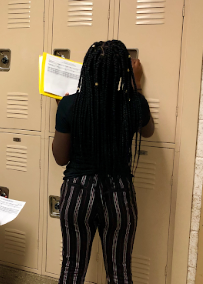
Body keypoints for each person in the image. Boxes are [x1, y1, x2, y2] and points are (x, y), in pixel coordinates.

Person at [52, 40, 155, 284]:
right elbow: (148, 131)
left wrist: (64, 112)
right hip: (118, 195)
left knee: (72, 268)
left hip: (77, 195)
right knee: (120, 271)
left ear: (86, 69)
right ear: (124, 71)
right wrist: (136, 86)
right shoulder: (133, 103)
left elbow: (60, 158)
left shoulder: (70, 105)